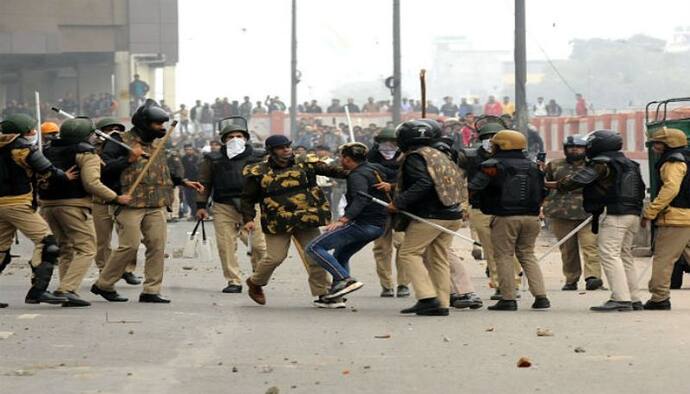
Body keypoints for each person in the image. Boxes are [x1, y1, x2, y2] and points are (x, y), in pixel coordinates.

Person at [92, 100, 203, 304]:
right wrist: (128, 160)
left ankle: (151, 290)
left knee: (157, 246)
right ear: (144, 124)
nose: (162, 128)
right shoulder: (119, 141)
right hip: (129, 203)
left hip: (156, 203)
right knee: (129, 246)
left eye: (163, 124)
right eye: (157, 124)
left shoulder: (157, 144)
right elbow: (104, 171)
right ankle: (103, 284)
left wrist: (183, 181)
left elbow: (162, 169)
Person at [241, 135, 349, 308]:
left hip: (306, 218)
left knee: (315, 255)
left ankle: (324, 294)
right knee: (275, 258)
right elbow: (247, 198)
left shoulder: (305, 163)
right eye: (281, 147)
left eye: (288, 146)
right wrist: (248, 219)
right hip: (277, 221)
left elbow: (334, 171)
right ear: (271, 151)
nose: (286, 150)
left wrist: (360, 171)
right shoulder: (258, 171)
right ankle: (255, 283)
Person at [38, 117, 132, 307]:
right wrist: (115, 197)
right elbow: (92, 183)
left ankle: (65, 289)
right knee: (87, 248)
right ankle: (67, 289)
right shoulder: (85, 152)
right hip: (73, 205)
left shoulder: (47, 150)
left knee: (66, 249)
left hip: (47, 205)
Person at [548, 130, 645, 312]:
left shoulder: (602, 163)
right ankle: (634, 298)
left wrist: (553, 184)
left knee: (609, 254)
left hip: (614, 213)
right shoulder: (630, 163)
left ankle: (620, 298)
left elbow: (579, 180)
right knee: (625, 256)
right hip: (633, 213)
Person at [0, 114, 79, 307]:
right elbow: (47, 169)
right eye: (31, 130)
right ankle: (38, 291)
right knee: (47, 243)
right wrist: (64, 176)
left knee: (1, 250)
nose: (34, 133)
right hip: (17, 203)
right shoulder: (22, 148)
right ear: (23, 132)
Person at [470, 130, 550, 311]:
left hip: (505, 218)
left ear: (501, 145)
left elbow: (474, 187)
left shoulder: (492, 165)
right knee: (527, 255)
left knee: (504, 255)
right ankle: (541, 296)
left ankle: (508, 298)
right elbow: (544, 191)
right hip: (532, 217)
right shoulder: (533, 166)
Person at [391, 119, 464, 316]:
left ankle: (426, 297)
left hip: (431, 215)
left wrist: (398, 203)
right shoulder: (440, 154)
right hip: (453, 212)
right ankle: (442, 302)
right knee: (438, 257)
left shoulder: (415, 157)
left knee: (408, 253)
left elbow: (423, 183)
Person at [306, 143, 390, 299]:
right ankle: (336, 296)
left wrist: (344, 220)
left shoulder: (356, 175)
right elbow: (396, 175)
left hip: (363, 224)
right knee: (341, 255)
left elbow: (361, 198)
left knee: (314, 247)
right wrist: (392, 185)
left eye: (341, 157)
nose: (340, 160)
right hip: (378, 226)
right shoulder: (376, 168)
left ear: (347, 158)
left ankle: (345, 280)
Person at [196, 123, 267, 293]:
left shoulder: (258, 157)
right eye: (230, 137)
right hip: (223, 206)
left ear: (246, 138)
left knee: (259, 246)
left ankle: (258, 277)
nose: (235, 139)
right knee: (226, 245)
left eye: (239, 136)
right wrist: (201, 205)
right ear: (224, 140)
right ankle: (233, 280)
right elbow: (204, 182)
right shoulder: (213, 159)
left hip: (251, 207)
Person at [457, 116, 522, 299]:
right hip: (480, 208)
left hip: (507, 208)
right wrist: (462, 205)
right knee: (490, 250)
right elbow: (459, 182)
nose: (491, 140)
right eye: (488, 136)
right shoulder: (469, 157)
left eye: (495, 136)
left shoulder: (513, 156)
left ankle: (514, 282)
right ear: (480, 139)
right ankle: (500, 285)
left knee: (508, 249)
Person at [543, 135, 602, 291]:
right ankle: (571, 279)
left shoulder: (594, 166)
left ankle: (593, 277)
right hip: (561, 213)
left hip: (588, 213)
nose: (575, 150)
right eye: (571, 147)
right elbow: (543, 186)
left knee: (590, 246)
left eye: (579, 147)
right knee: (568, 249)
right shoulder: (554, 166)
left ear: (585, 149)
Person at [642, 127, 690, 310]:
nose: (654, 147)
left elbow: (670, 189)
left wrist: (651, 211)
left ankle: (659, 297)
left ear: (668, 144)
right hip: (686, 217)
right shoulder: (687, 158)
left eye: (657, 143)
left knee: (664, 258)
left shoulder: (673, 162)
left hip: (676, 219)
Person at [92, 117, 140, 285]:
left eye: (117, 128)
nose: (114, 132)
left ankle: (127, 269)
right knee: (102, 239)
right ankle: (104, 269)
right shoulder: (92, 149)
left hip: (123, 196)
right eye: (109, 129)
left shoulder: (126, 147)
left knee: (129, 238)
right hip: (101, 199)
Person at [367, 128, 409, 297]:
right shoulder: (369, 159)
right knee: (381, 248)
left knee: (403, 245)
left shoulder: (407, 159)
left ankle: (404, 283)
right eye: (384, 143)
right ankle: (386, 284)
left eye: (392, 143)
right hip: (379, 208)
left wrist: (391, 186)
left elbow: (413, 183)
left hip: (401, 208)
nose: (388, 146)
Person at [181, 143, 201, 219]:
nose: (188, 151)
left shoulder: (197, 158)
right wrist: (183, 178)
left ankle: (195, 214)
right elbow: (181, 169)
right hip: (187, 181)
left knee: (195, 198)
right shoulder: (183, 159)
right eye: (186, 150)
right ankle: (193, 212)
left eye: (190, 149)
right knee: (188, 198)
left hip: (196, 180)